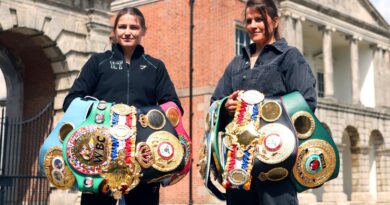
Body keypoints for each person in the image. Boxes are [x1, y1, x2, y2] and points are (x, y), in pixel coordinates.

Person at [63, 7, 182, 205]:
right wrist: (102, 113)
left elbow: (174, 107)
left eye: (134, 27)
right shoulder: (97, 63)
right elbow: (71, 101)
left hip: (142, 157)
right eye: (122, 26)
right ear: (114, 31)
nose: (128, 32)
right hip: (99, 155)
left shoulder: (155, 67)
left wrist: (143, 117)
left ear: (143, 30)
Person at [211, 0, 317, 204]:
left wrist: (262, 109)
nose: (253, 25)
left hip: (276, 162)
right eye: (249, 20)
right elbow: (215, 101)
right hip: (239, 165)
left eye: (259, 19)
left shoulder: (289, 56)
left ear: (275, 21)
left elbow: (307, 101)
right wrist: (226, 106)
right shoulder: (236, 62)